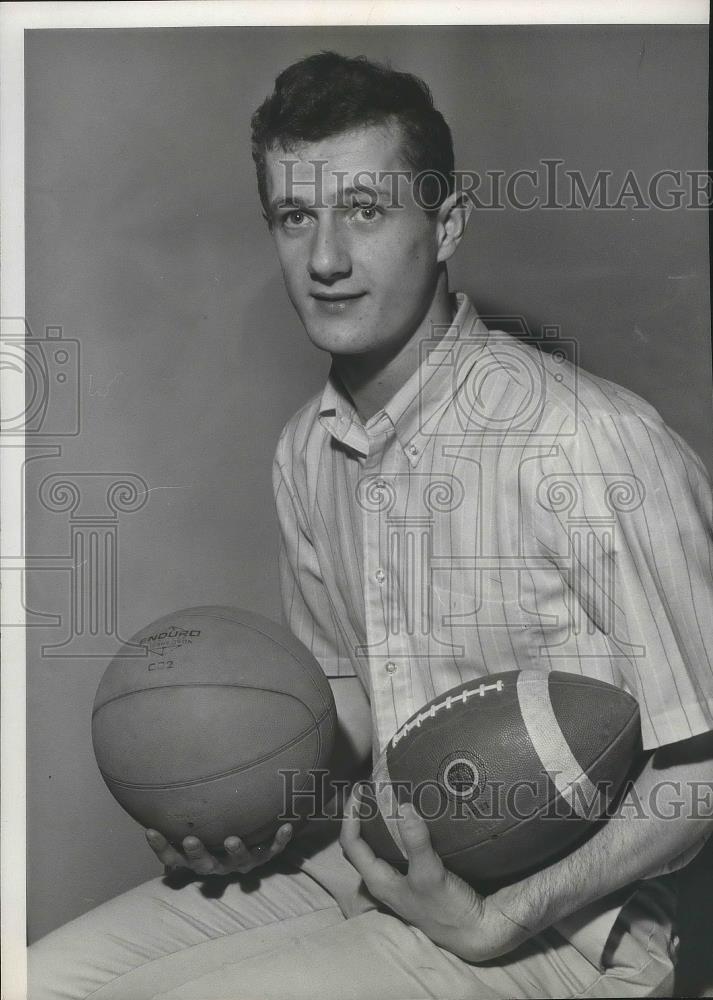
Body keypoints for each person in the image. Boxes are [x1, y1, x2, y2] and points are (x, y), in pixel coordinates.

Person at [29, 51, 713, 999]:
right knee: (41, 979)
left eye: (364, 210)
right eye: (294, 216)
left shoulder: (586, 442)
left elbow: (703, 770)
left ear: (445, 225)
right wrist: (244, 801)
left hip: (564, 934)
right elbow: (348, 718)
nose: (325, 259)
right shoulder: (305, 453)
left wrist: (495, 922)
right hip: (370, 865)